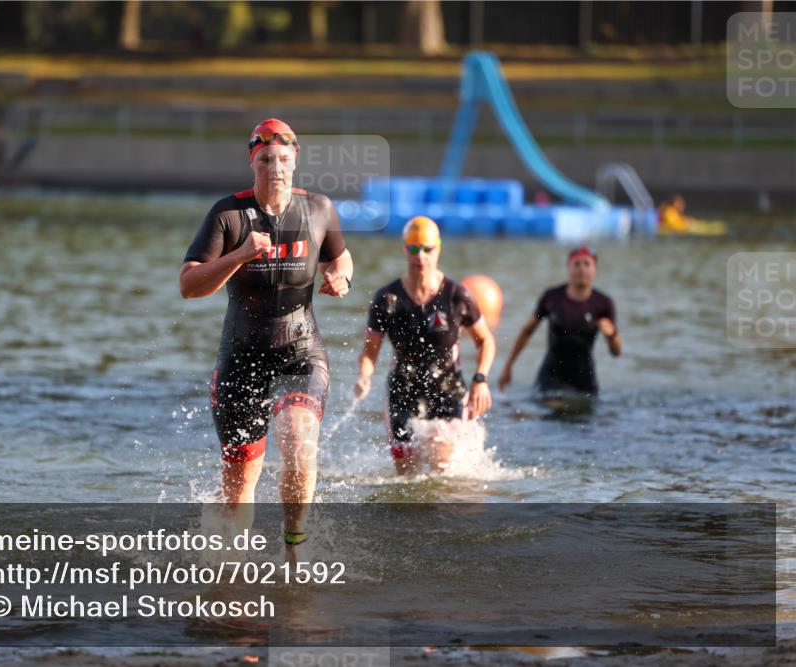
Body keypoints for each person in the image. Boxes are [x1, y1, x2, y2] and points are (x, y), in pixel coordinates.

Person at [180, 118, 353, 551]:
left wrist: (341, 278)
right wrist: (240, 254)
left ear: (295, 162)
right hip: (241, 354)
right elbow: (189, 285)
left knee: (298, 439)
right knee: (240, 480)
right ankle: (232, 572)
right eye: (266, 160)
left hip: (300, 349)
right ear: (252, 162)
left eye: (283, 159)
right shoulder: (228, 214)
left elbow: (342, 259)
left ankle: (296, 550)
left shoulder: (318, 209)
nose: (275, 168)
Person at [353, 216, 495, 475]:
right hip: (403, 389)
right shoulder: (387, 298)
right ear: (404, 249)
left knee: (442, 464)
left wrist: (480, 379)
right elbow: (369, 352)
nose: (421, 257)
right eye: (413, 249)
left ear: (438, 249)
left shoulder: (456, 295)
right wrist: (364, 376)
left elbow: (485, 340)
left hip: (448, 388)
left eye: (427, 249)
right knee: (405, 472)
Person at [498, 245, 621, 398]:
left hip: (585, 375)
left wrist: (612, 335)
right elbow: (527, 331)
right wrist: (508, 367)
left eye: (587, 264)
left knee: (585, 416)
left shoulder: (603, 303)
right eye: (577, 264)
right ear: (568, 267)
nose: (582, 269)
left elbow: (616, 353)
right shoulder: (552, 297)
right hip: (552, 373)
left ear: (595, 269)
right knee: (552, 411)